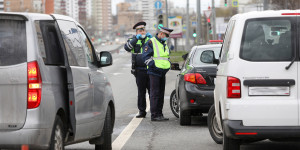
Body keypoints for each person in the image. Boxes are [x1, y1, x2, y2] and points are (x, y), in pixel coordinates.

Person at [142, 27, 173, 121]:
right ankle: (154, 115)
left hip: (162, 72)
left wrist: (168, 65)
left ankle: (160, 114)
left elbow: (166, 57)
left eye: (168, 36)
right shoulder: (151, 42)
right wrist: (154, 66)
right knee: (155, 93)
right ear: (161, 34)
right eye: (166, 35)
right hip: (154, 72)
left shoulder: (164, 43)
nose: (167, 37)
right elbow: (146, 57)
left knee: (161, 93)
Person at [124, 21, 152, 118]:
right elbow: (127, 48)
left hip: (150, 69)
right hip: (139, 70)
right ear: (136, 32)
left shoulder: (149, 39)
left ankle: (154, 111)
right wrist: (136, 38)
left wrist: (151, 38)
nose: (142, 32)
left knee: (152, 91)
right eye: (140, 30)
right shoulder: (133, 39)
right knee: (141, 92)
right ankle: (142, 111)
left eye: (143, 30)